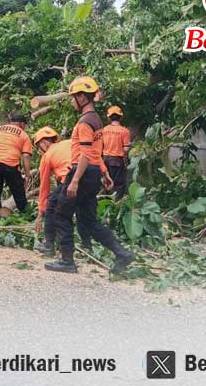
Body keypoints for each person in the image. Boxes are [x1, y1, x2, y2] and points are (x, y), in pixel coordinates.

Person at [45, 76, 134, 274]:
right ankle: (122, 254)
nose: (71, 101)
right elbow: (96, 151)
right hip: (93, 172)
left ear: (83, 98)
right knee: (89, 221)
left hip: (81, 171)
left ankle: (67, 261)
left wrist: (74, 180)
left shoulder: (85, 122)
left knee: (61, 214)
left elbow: (85, 153)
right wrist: (103, 172)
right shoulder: (97, 120)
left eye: (73, 97)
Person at [32, 127, 74, 257]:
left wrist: (40, 214)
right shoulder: (69, 143)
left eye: (40, 147)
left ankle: (49, 245)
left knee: (51, 206)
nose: (41, 150)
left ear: (44, 143)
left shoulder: (47, 156)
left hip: (68, 179)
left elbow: (44, 187)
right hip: (86, 175)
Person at [0, 114, 33, 221]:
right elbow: (25, 155)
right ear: (22, 124)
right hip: (10, 164)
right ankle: (25, 214)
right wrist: (27, 174)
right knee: (18, 190)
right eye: (24, 125)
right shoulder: (24, 135)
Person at [102, 105, 132, 197]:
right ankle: (116, 206)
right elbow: (126, 149)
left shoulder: (104, 130)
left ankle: (107, 205)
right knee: (118, 185)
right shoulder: (125, 131)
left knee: (107, 184)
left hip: (105, 160)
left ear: (109, 117)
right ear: (121, 117)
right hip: (117, 161)